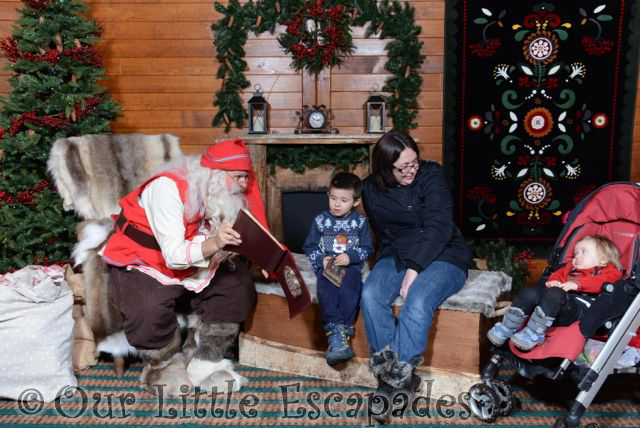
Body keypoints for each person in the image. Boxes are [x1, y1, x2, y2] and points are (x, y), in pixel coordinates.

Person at [100, 138, 267, 396]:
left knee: (237, 285)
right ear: (215, 174)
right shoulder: (168, 189)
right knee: (147, 303)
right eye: (239, 177)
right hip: (146, 255)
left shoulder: (216, 190)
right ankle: (163, 364)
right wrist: (215, 242)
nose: (245, 185)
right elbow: (174, 255)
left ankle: (205, 359)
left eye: (246, 177)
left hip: (195, 249)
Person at [359, 131, 473, 421]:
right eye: (403, 167)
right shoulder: (370, 189)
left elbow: (439, 226)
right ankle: (400, 377)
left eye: (414, 163)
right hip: (396, 250)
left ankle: (392, 381)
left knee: (418, 299)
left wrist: (414, 270)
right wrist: (386, 269)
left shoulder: (431, 175)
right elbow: (381, 233)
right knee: (371, 295)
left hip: (444, 251)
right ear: (385, 168)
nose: (411, 170)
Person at [488, 234, 623, 351]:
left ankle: (534, 334)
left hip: (580, 310)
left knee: (554, 294)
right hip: (554, 305)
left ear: (603, 260)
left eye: (583, 252)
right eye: (575, 253)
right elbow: (556, 275)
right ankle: (508, 326)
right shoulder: (570, 267)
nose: (577, 257)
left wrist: (577, 284)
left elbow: (602, 281)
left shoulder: (609, 272)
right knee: (529, 292)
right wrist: (553, 281)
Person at [303, 172, 373, 366]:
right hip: (327, 265)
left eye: (343, 200)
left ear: (356, 201)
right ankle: (335, 330)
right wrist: (322, 260)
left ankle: (346, 327)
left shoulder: (360, 223)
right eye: (333, 198)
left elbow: (367, 249)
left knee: (351, 287)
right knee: (326, 288)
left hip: (349, 266)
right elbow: (309, 247)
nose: (337, 204)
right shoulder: (320, 220)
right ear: (328, 195)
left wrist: (350, 257)